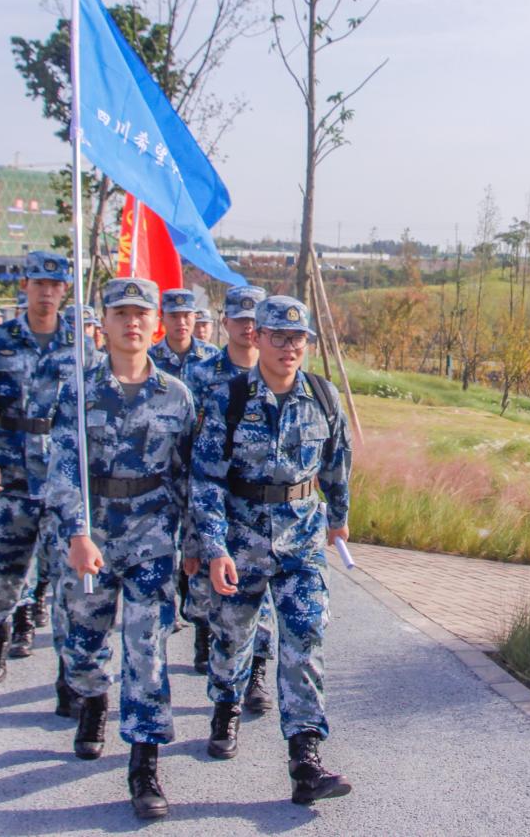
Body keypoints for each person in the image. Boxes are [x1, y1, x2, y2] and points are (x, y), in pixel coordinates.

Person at [191, 295, 352, 806]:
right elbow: (206, 480)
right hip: (241, 542)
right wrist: (214, 547)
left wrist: (340, 519)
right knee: (233, 638)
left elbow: (337, 461)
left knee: (305, 634)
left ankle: (305, 758)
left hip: (302, 541)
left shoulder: (323, 397)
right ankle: (225, 707)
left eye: (297, 338)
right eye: (277, 337)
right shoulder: (229, 400)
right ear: (256, 337)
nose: (288, 347)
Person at [45, 277, 195, 820]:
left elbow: (188, 476)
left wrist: (195, 544)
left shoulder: (177, 396)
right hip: (96, 532)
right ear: (102, 324)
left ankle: (145, 763)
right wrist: (77, 532)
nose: (132, 322)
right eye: (120, 313)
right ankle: (92, 700)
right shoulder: (79, 390)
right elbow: (62, 466)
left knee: (148, 650)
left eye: (141, 313)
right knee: (83, 640)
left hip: (152, 534)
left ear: (155, 324)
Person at [0, 252, 74, 686]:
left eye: (55, 285)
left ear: (65, 290)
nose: (46, 292)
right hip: (10, 471)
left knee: (66, 572)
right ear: (24, 285)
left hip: (61, 476)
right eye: (38, 284)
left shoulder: (80, 346)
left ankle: (69, 674)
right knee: (5, 567)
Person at [182, 285, 276, 712]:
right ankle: (212, 645)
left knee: (264, 602)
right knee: (217, 601)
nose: (247, 327)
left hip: (266, 514)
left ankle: (257, 673)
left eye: (254, 319)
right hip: (219, 506)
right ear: (226, 324)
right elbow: (191, 456)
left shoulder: (278, 374)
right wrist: (193, 535)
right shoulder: (202, 376)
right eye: (239, 319)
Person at [148, 288, 218, 379]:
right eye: (174, 316)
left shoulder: (212, 354)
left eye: (186, 315)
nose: (181, 322)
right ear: (162, 319)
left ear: (194, 317)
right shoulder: (150, 358)